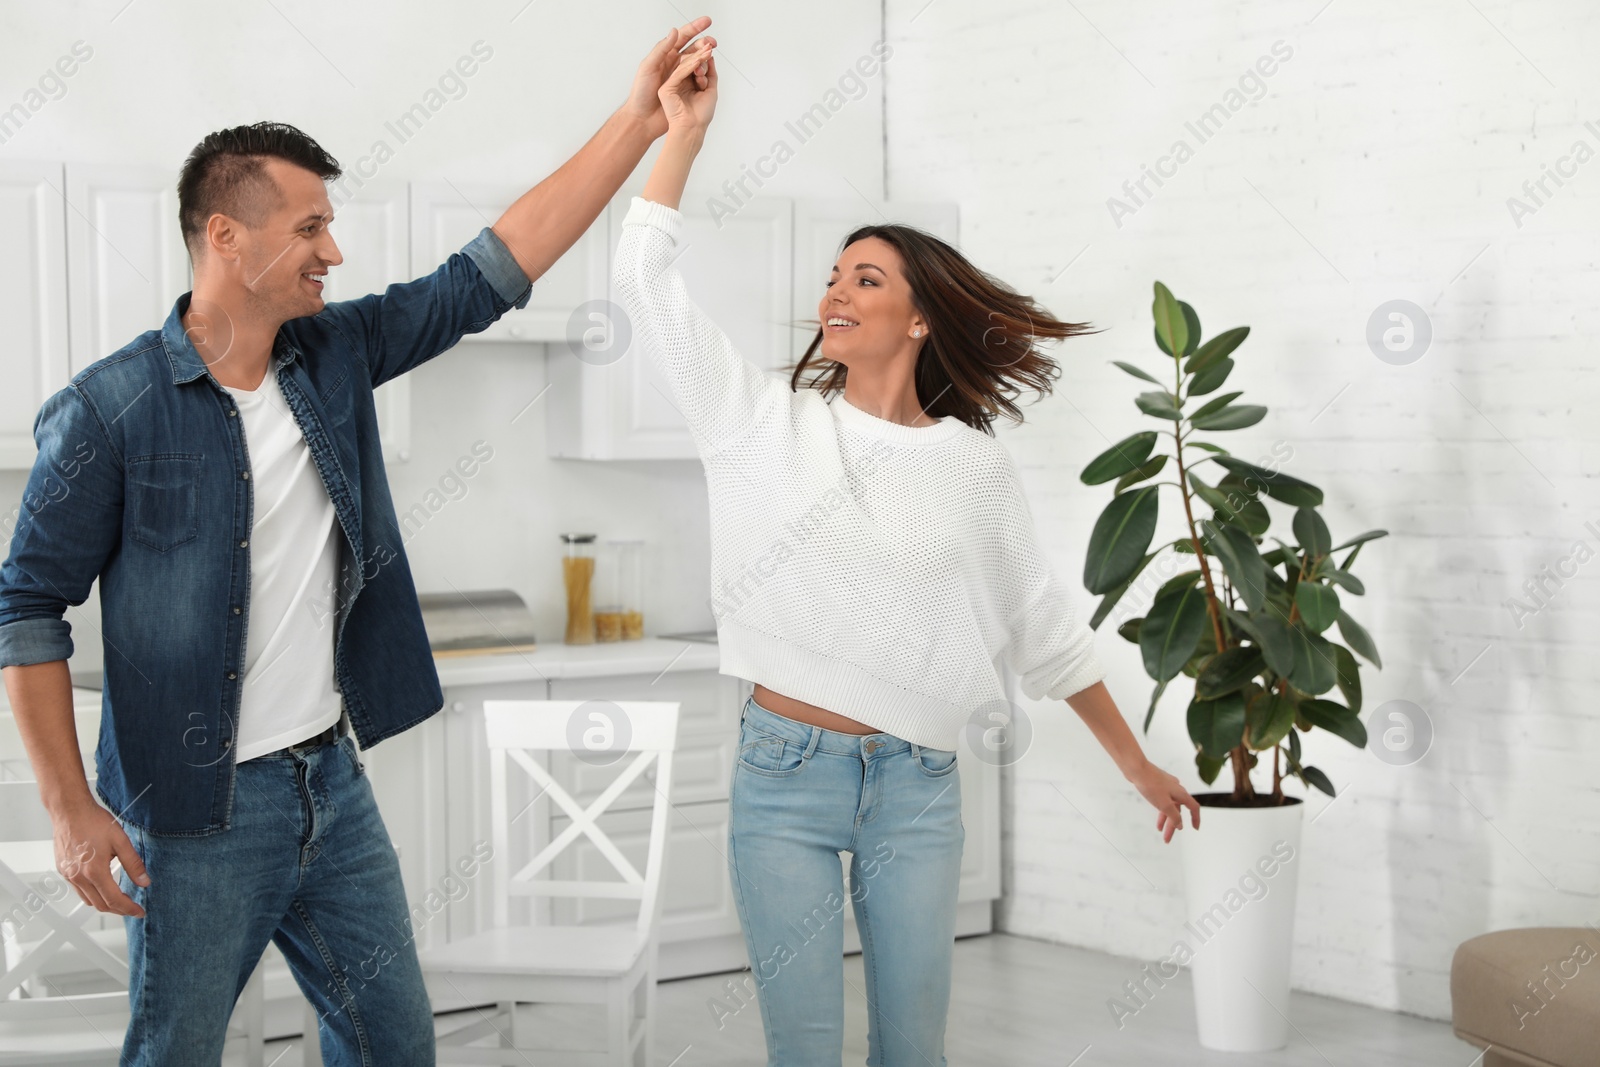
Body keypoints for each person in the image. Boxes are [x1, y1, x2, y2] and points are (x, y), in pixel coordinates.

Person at [0, 18, 717, 1065]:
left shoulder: (334, 354)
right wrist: (72, 809)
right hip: (194, 814)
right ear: (225, 237)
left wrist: (639, 119)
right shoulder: (109, 410)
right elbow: (24, 605)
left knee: (393, 1043)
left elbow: (492, 268)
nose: (332, 251)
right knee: (175, 1051)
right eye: (309, 227)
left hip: (327, 788)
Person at [613, 40, 1203, 1065]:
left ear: (919, 316)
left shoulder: (972, 468)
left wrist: (1137, 762)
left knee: (912, 1049)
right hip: (782, 772)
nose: (835, 291)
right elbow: (642, 275)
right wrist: (682, 134)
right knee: (802, 1049)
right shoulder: (756, 418)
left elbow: (1044, 635)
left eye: (867, 277)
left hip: (919, 783)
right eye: (835, 275)